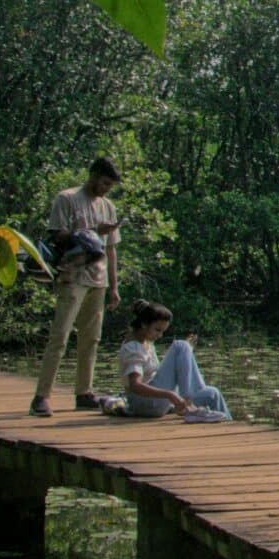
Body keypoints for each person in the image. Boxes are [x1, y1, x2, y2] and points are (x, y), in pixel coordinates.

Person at [30, 157, 120, 418]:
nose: (106, 189)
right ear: (93, 175)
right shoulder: (67, 199)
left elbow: (111, 250)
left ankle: (84, 392)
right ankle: (41, 396)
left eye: (110, 186)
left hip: (98, 279)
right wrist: (92, 230)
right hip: (72, 275)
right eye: (104, 182)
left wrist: (114, 286)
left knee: (91, 339)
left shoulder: (109, 207)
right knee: (60, 335)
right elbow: (56, 236)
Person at [115, 300, 229, 421]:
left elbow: (158, 372)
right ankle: (189, 406)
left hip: (156, 402)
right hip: (143, 403)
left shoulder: (146, 342)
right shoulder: (133, 347)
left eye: (163, 331)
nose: (160, 335)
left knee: (212, 393)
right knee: (181, 345)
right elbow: (135, 385)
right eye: (157, 330)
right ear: (144, 324)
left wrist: (187, 353)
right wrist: (170, 395)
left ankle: (228, 428)